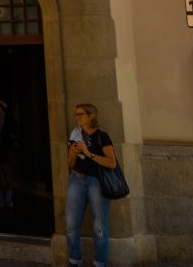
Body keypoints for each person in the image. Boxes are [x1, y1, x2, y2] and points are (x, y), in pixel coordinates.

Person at [66, 103, 117, 267]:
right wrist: (73, 155)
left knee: (99, 227)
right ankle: (74, 261)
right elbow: (70, 163)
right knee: (71, 225)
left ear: (91, 116)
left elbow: (112, 163)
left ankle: (99, 263)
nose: (77, 118)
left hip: (96, 182)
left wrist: (89, 154)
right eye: (76, 115)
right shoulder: (75, 135)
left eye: (81, 114)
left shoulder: (102, 136)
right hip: (76, 180)